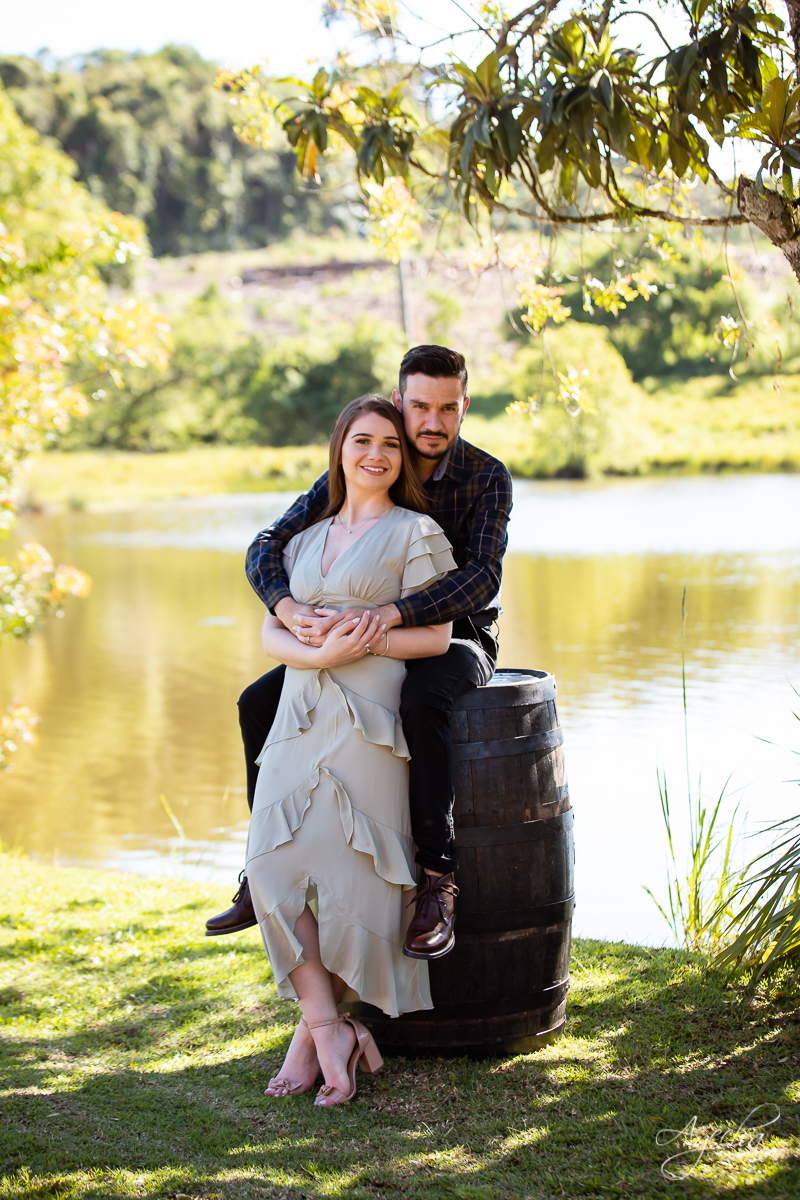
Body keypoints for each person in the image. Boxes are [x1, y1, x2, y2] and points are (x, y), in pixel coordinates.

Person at [207, 344, 513, 959]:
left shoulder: (485, 476)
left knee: (422, 699)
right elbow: (269, 542)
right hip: (355, 636)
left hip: (456, 637)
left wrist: (391, 614)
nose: (432, 422)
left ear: (464, 407)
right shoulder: (370, 459)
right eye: (420, 406)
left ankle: (437, 878)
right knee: (256, 703)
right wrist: (286, 607)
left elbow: (482, 577)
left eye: (447, 409)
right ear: (400, 402)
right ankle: (262, 864)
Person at [246, 393, 456, 1106]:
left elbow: (437, 637)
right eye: (363, 440)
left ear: (403, 460)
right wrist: (311, 652)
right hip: (300, 710)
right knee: (269, 870)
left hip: (368, 716)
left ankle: (318, 1038)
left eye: (391, 445)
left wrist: (361, 640)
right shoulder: (303, 540)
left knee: (356, 880)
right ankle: (328, 1025)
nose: (376, 454)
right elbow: (270, 632)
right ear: (339, 449)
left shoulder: (416, 532)